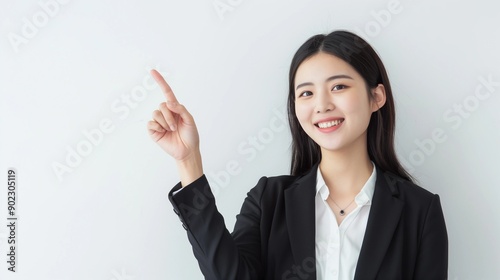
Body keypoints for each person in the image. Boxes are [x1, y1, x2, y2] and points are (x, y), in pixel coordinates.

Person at [147, 30, 448, 280]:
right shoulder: (269, 200)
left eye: (339, 86)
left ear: (376, 97)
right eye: (306, 93)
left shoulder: (419, 212)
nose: (322, 105)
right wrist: (188, 161)